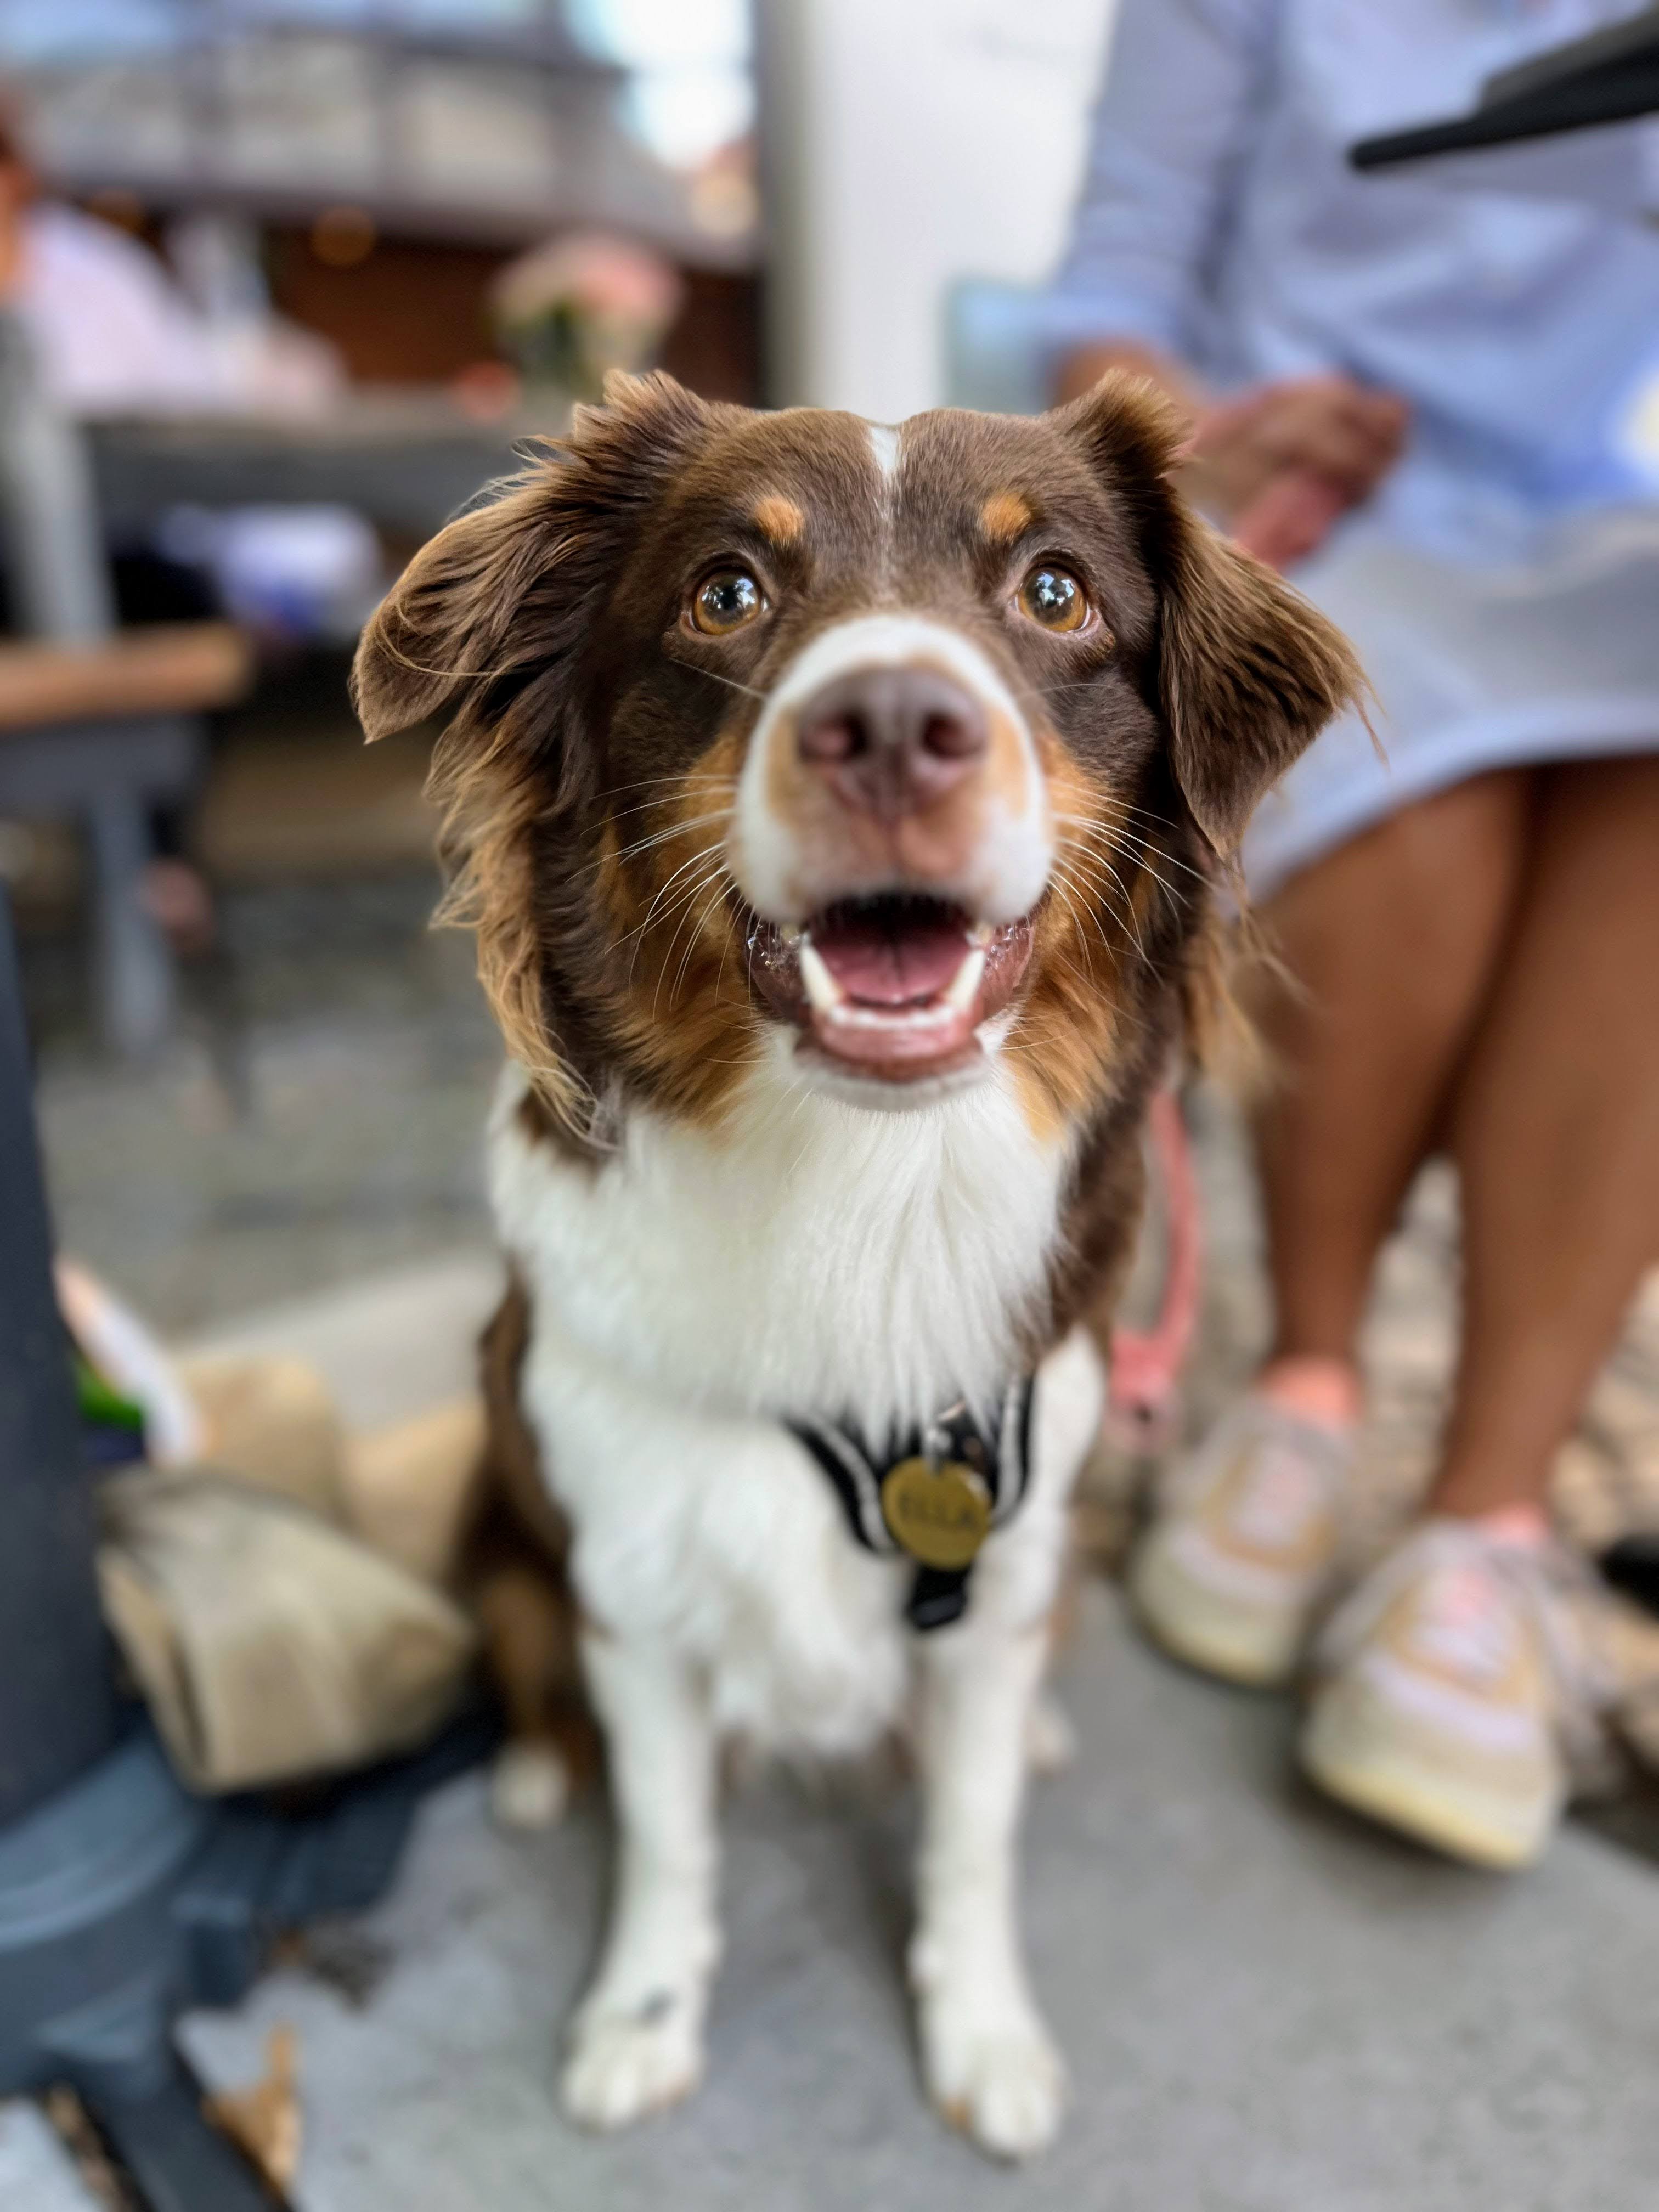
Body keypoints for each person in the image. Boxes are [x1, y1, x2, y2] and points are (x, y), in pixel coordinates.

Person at [1037, 0, 1659, 1869]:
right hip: (1311, 511)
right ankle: (1307, 1382)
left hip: (1601, 532)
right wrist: (1192, 446)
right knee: (1408, 758)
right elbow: (1116, 278)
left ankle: (1484, 1518)